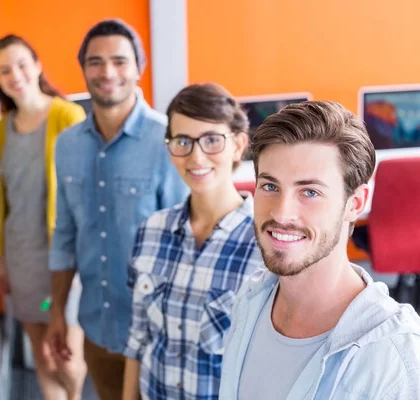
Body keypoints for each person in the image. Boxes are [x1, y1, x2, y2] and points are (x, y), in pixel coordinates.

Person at [219, 101, 420, 399]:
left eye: (310, 192)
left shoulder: (396, 359)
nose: (282, 213)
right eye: (270, 187)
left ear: (356, 203)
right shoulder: (249, 300)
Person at [45, 19, 188, 400]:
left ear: (138, 68)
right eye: (96, 62)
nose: (107, 72)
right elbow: (65, 234)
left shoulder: (169, 141)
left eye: (120, 61)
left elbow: (188, 240)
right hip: (99, 327)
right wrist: (57, 312)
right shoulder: (67, 145)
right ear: (83, 69)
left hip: (161, 335)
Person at [121, 83, 263, 400]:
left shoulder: (265, 248)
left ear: (238, 145)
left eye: (212, 140)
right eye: (183, 141)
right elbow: (138, 339)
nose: (196, 156)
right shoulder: (151, 231)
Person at [0, 34, 87, 400]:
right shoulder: (4, 126)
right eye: (4, 70)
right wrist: (1, 259)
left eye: (21, 64)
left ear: (37, 65)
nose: (15, 75)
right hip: (22, 257)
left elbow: (85, 192)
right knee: (42, 357)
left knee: (68, 357)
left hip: (63, 259)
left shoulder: (66, 114)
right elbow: (6, 200)